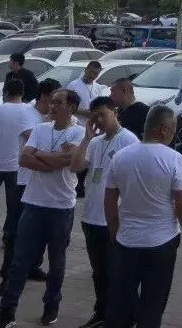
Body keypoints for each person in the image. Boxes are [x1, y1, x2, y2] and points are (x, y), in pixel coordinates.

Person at [0, 89, 86, 328]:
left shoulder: (78, 132)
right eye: (51, 102)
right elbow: (24, 159)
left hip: (61, 207)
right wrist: (52, 159)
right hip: (33, 203)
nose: (52, 106)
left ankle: (51, 305)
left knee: (56, 262)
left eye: (58, 103)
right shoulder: (40, 129)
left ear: (71, 107)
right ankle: (7, 312)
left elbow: (68, 161)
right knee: (20, 261)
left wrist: (41, 155)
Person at [104, 106, 182, 328]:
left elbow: (109, 200)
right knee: (153, 304)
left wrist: (114, 230)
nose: (175, 134)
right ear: (163, 129)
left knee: (121, 302)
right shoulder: (173, 159)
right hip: (161, 242)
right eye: (174, 128)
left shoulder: (120, 157)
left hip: (127, 241)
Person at [70, 96, 139, 328]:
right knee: (99, 272)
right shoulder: (95, 141)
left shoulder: (129, 140)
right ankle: (102, 313)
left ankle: (127, 317)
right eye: (95, 116)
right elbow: (75, 166)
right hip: (91, 217)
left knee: (118, 272)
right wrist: (86, 138)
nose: (99, 120)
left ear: (114, 112)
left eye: (103, 114)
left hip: (114, 219)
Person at [0, 78, 58, 295]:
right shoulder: (28, 114)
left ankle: (32, 266)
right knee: (17, 231)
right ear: (44, 96)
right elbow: (36, 144)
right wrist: (57, 158)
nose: (57, 104)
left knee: (41, 231)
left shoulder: (48, 119)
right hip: (23, 182)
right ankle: (7, 276)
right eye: (55, 99)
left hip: (44, 184)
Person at [0, 78, 34, 244]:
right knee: (14, 203)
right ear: (22, 93)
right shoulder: (28, 111)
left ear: (6, 92)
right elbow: (30, 136)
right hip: (16, 166)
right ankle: (9, 236)